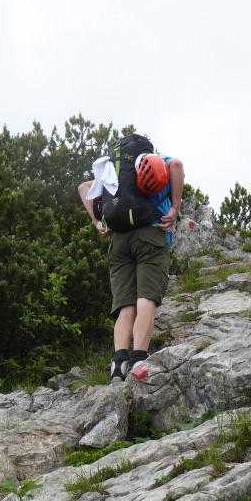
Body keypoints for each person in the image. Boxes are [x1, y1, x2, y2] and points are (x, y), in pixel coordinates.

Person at [78, 140, 184, 383]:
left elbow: (84, 188)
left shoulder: (111, 168)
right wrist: (175, 206)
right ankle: (139, 360)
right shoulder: (153, 161)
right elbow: (177, 165)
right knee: (146, 297)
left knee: (126, 305)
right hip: (150, 235)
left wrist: (97, 223)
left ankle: (118, 366)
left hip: (119, 241)